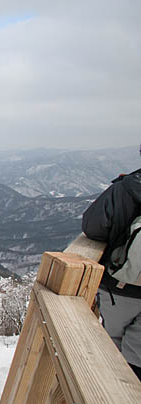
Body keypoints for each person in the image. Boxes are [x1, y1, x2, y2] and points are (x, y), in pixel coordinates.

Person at [82, 145, 141, 381]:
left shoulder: (128, 188)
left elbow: (92, 226)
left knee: (111, 344)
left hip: (121, 288)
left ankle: (109, 396)